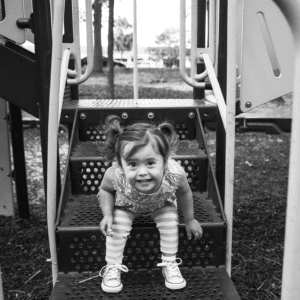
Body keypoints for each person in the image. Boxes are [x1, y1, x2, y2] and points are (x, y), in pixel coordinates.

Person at [97, 115, 203, 293]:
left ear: (165, 159)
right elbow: (105, 190)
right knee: (116, 226)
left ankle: (169, 262)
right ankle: (112, 266)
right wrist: (107, 214)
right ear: (121, 164)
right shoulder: (114, 174)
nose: (142, 172)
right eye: (132, 164)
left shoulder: (175, 173)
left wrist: (190, 219)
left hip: (161, 204)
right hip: (126, 205)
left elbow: (184, 192)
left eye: (151, 163)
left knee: (170, 220)